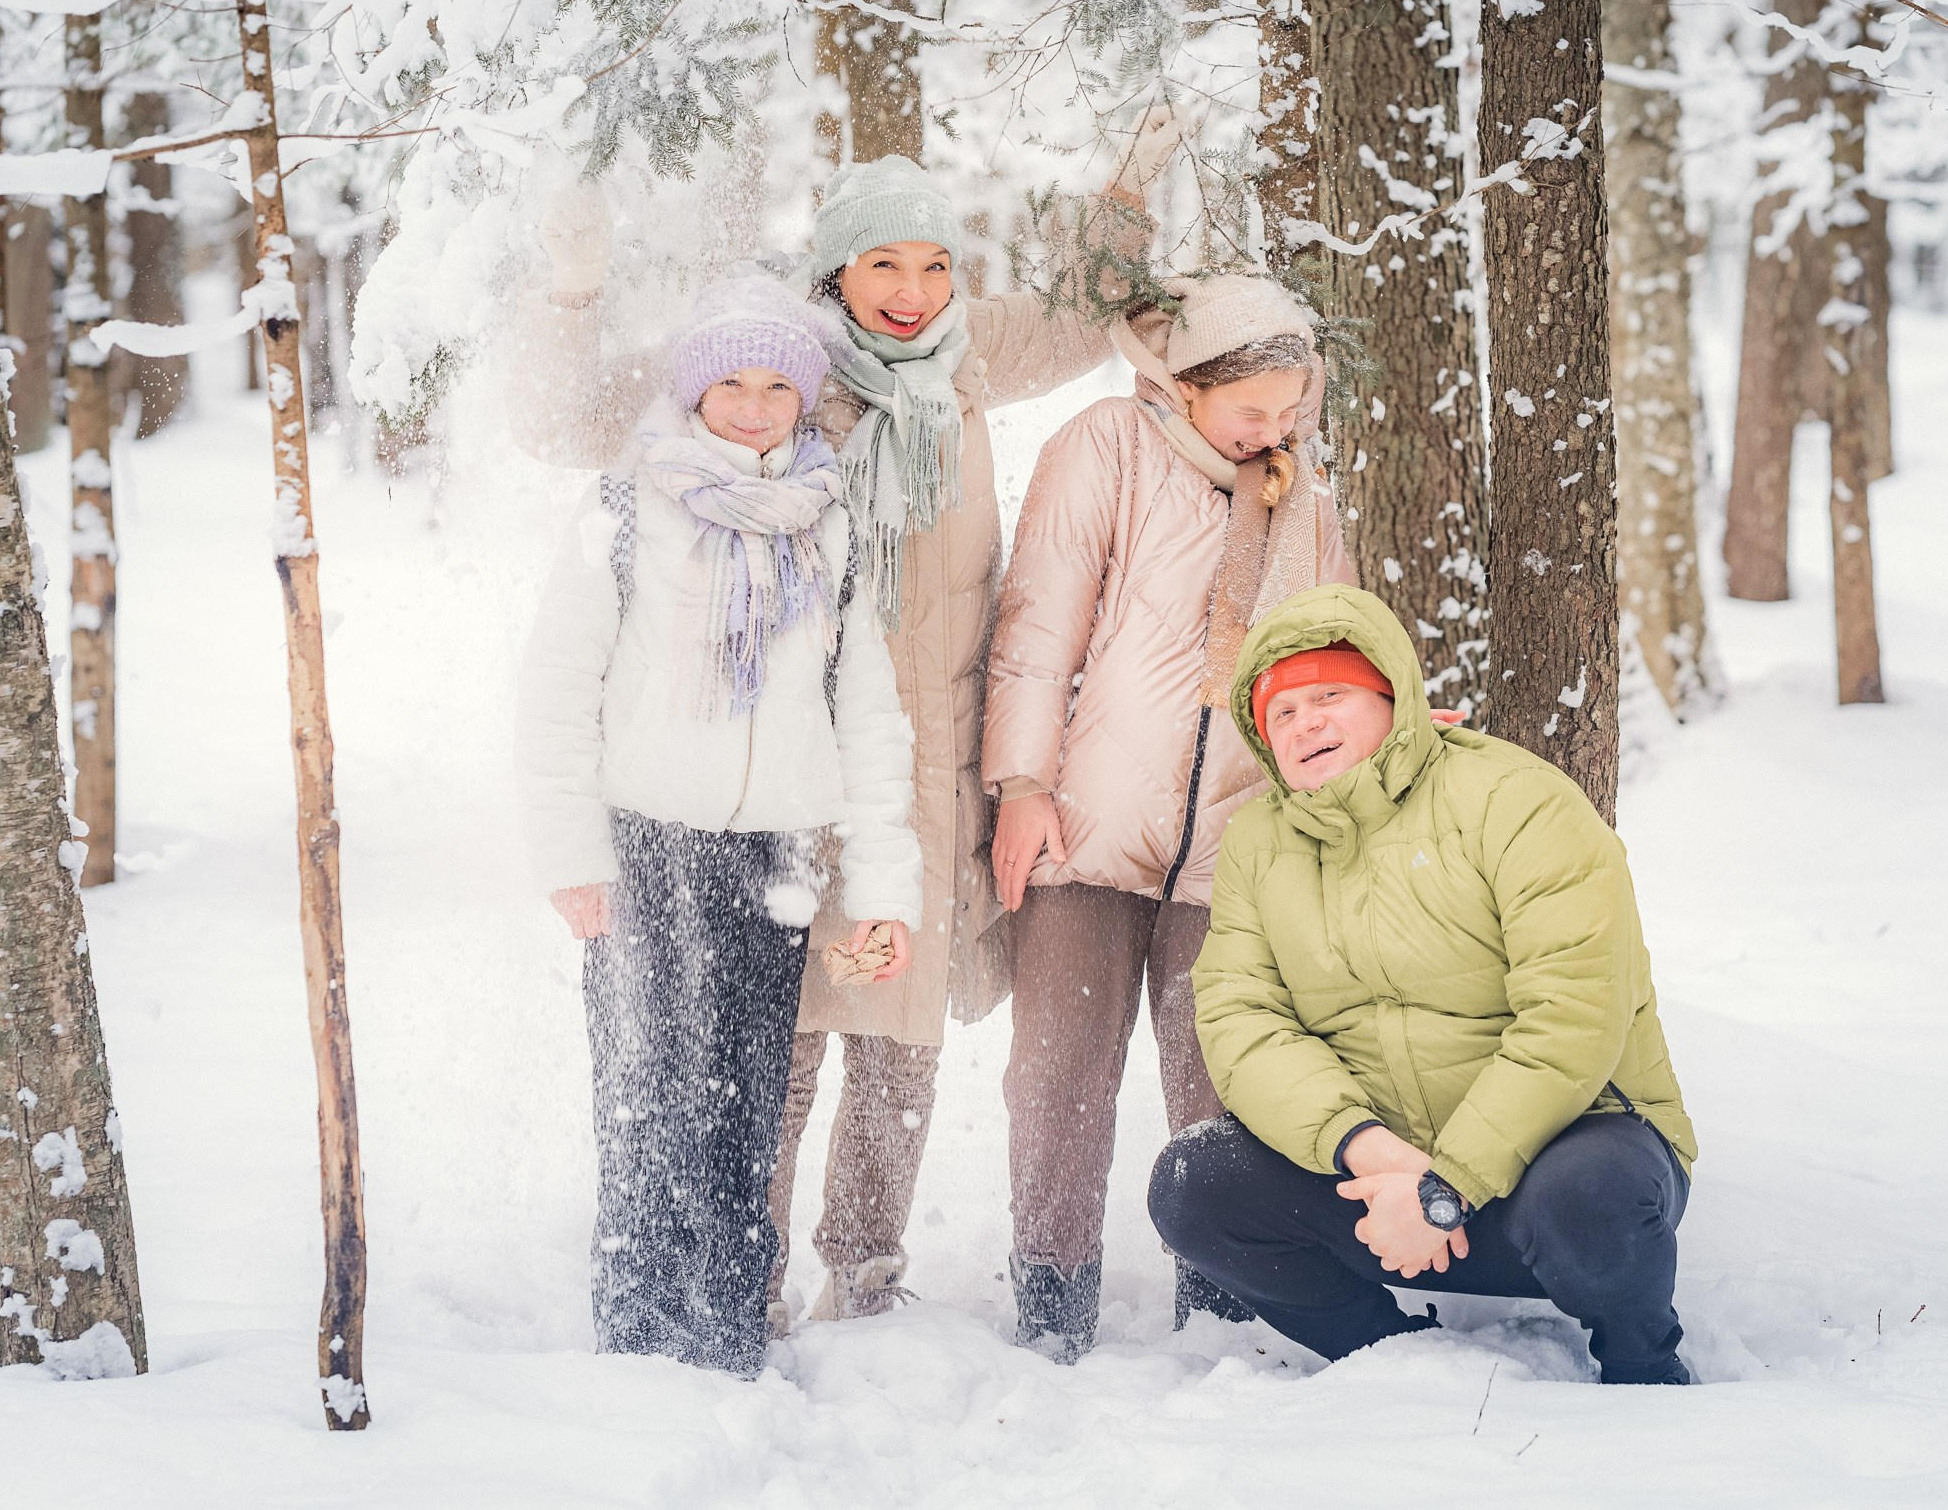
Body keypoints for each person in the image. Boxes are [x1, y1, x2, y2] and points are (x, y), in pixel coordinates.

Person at [507, 113, 1185, 1331]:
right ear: (835, 273)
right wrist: (572, 291)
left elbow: (1092, 314)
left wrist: (1126, 197)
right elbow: (569, 425)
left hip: (942, 748)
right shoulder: (779, 371)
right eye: (883, 265)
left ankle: (864, 1274)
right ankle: (746, 1274)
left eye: (933, 264)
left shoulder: (974, 359)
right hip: (798, 757)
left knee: (904, 1026)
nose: (912, 292)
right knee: (791, 1021)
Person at [513, 276, 920, 1376]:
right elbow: (558, 687)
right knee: (645, 1103)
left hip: (774, 856)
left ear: (804, 395)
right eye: (731, 383)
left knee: (741, 1115)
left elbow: (868, 716)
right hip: (642, 844)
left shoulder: (827, 522)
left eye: (777, 385)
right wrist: (570, 857)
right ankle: (640, 1344)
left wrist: (881, 883)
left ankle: (725, 1339)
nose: (752, 406)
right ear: (695, 391)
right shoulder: (625, 509)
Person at [1147, 585, 1699, 1386]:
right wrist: (1370, 1151)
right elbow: (1244, 1022)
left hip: (1560, 1159)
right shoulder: (1260, 844)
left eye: (1329, 694)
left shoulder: (1516, 801)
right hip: (1384, 1192)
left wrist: (1446, 1188)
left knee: (1590, 1202)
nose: (1307, 724)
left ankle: (1643, 1363)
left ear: (1391, 696)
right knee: (1194, 1183)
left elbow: (1572, 1018)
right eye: (1284, 714)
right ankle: (1394, 1363)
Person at [983, 274, 1354, 1360]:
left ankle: (1226, 1298)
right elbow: (1036, 624)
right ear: (1182, 385)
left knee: (1224, 1079)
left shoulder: (1301, 491)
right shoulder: (1105, 444)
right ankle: (1051, 1297)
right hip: (1082, 830)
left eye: (1292, 413)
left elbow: (1329, 655)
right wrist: (1019, 786)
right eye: (1251, 412)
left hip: (1233, 848)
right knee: (1057, 1074)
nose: (1273, 433)